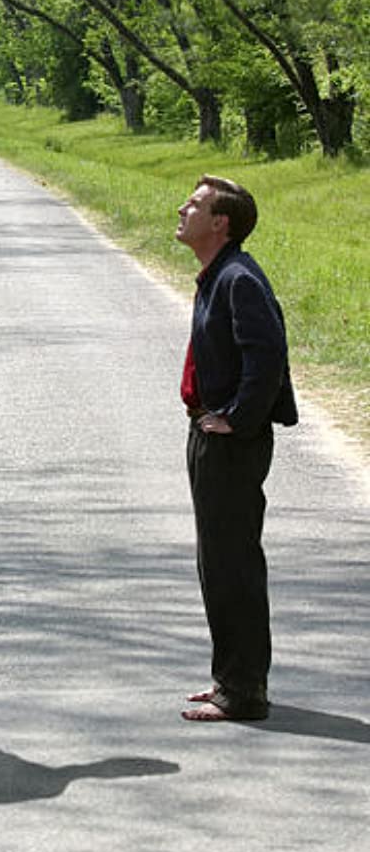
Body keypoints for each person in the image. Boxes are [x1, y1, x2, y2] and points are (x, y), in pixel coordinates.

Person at [176, 175, 297, 723]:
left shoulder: (238, 278)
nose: (184, 209)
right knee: (217, 564)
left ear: (220, 222)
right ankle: (230, 679)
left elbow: (267, 354)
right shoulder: (218, 275)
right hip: (209, 434)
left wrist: (239, 419)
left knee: (234, 566)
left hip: (230, 443)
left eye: (196, 204)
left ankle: (245, 693)